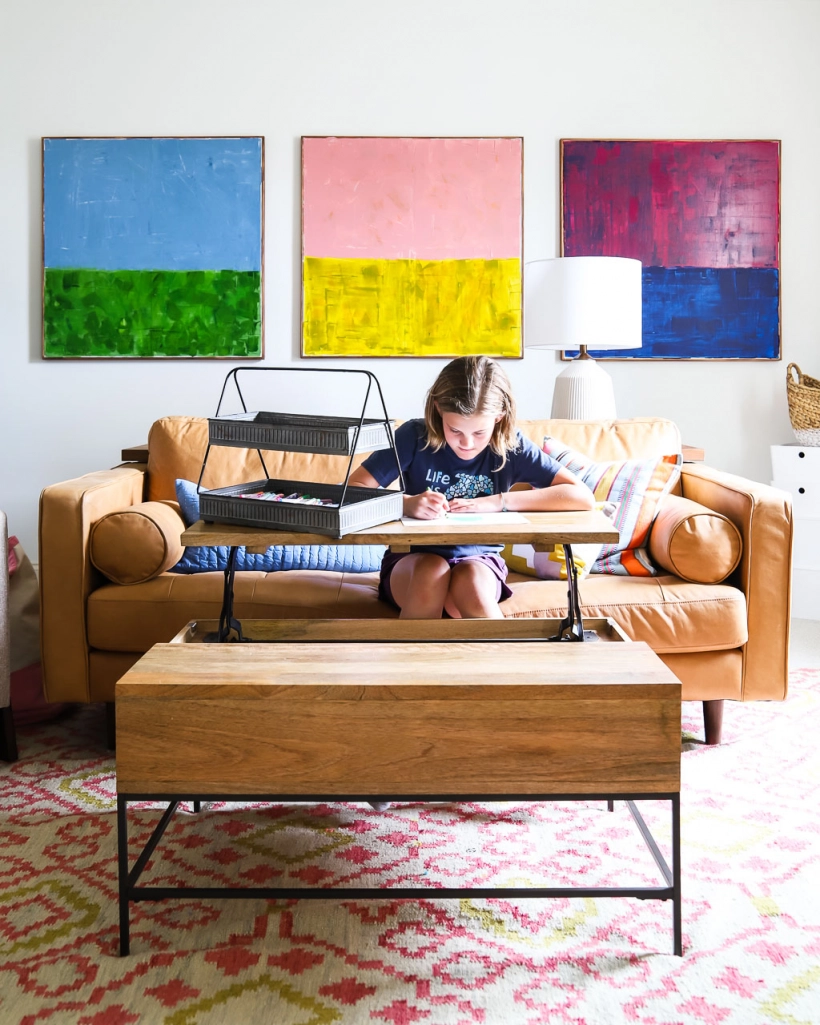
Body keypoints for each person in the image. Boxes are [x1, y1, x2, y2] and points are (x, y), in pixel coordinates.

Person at [348, 355, 595, 621]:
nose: (466, 443)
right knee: (430, 571)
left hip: (481, 560)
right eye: (455, 430)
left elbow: (581, 496)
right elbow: (353, 489)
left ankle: (509, 660)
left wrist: (498, 501)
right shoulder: (413, 436)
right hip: (411, 559)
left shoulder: (511, 445)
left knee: (472, 581)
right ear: (438, 409)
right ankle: (416, 661)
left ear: (499, 417)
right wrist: (405, 503)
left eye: (479, 433)